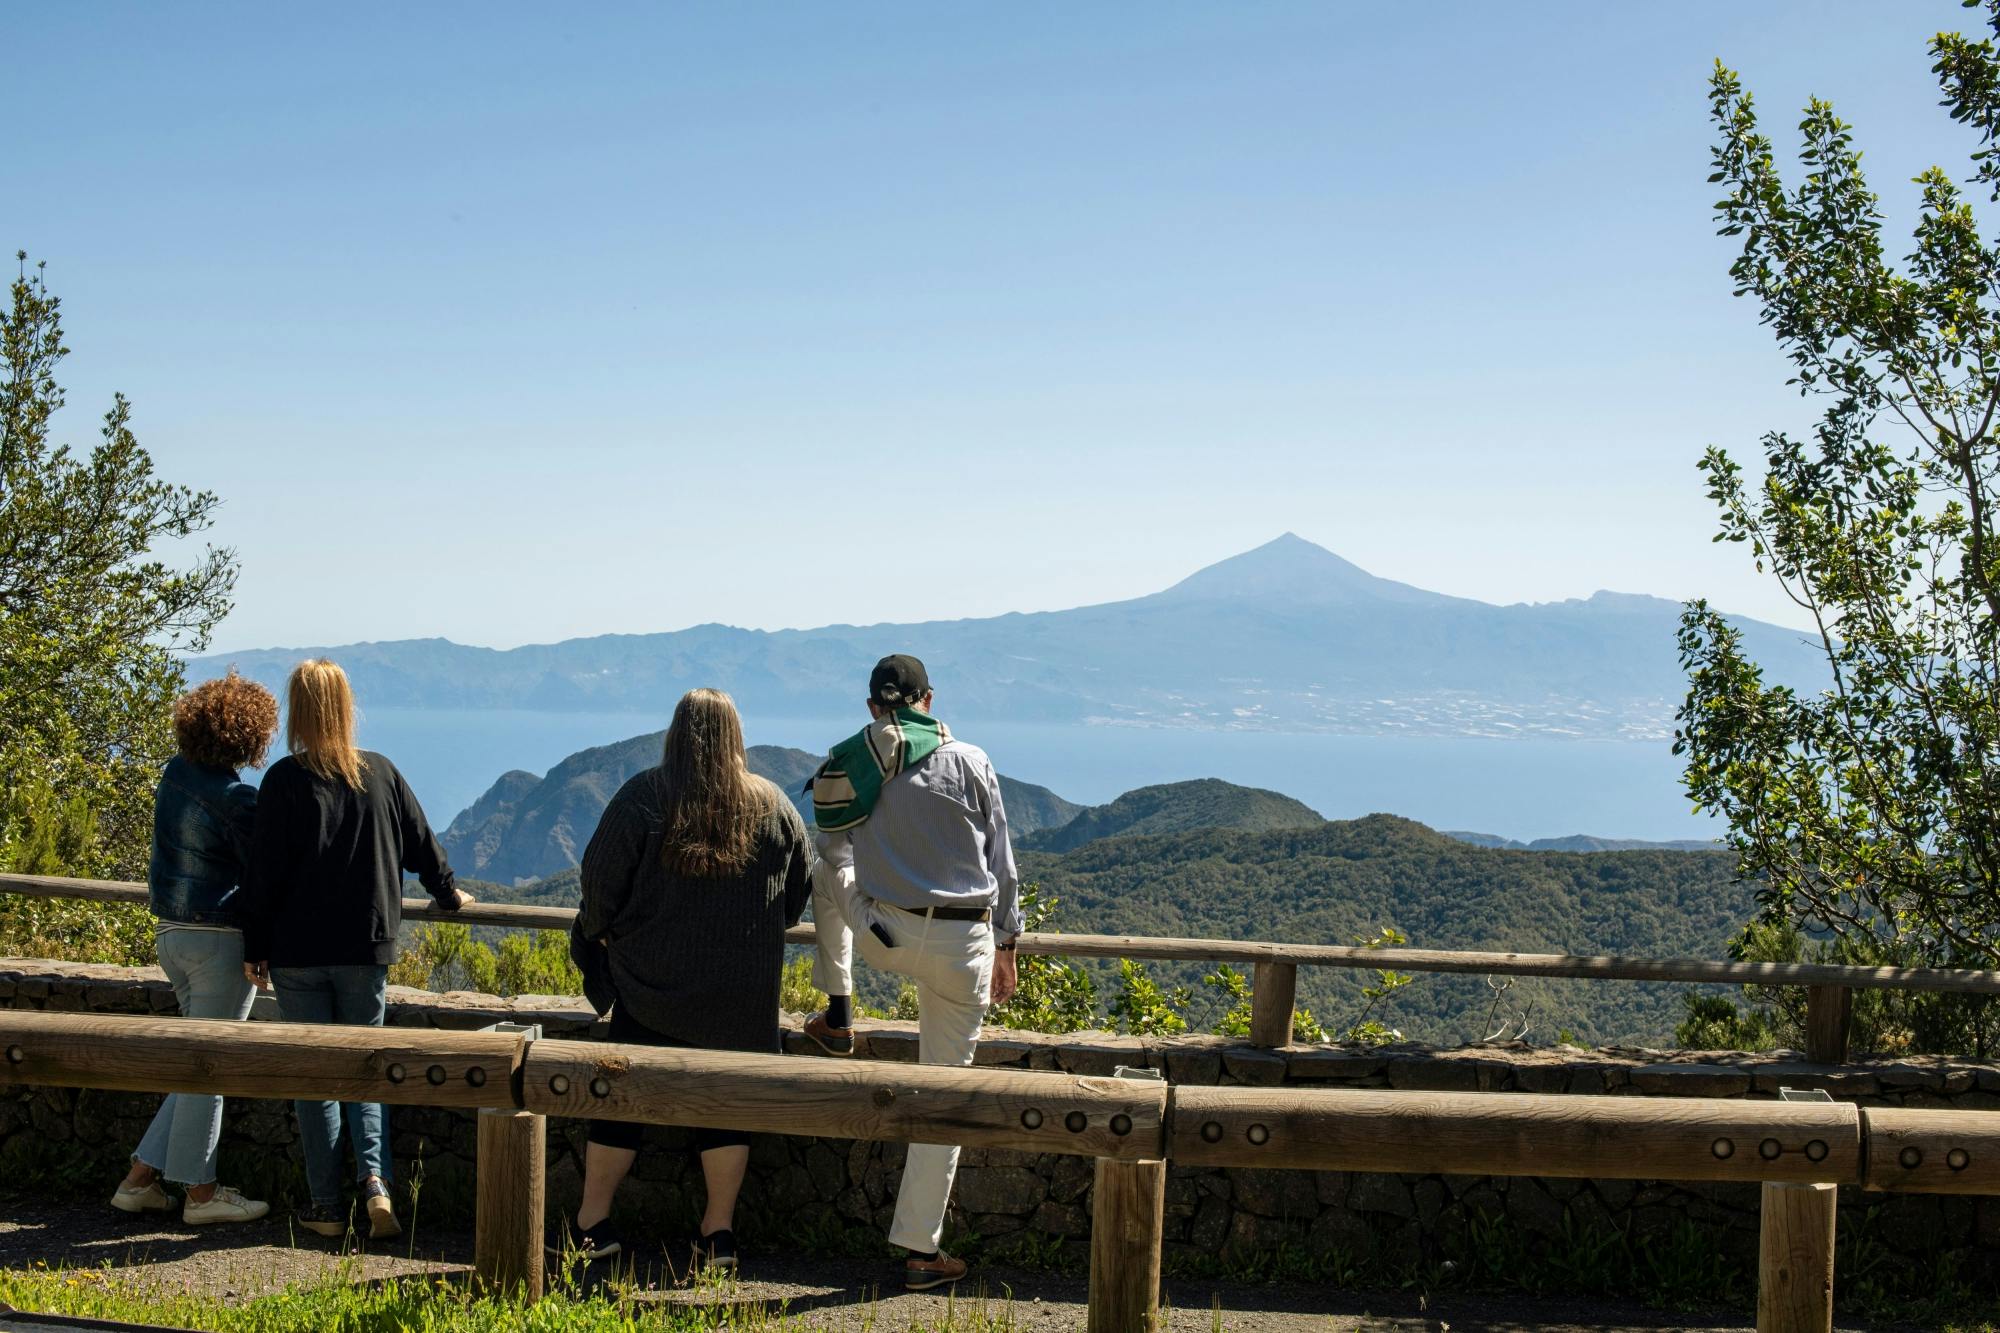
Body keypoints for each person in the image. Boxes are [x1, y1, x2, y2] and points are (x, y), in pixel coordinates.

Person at [558, 688, 812, 1274]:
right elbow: (798, 891)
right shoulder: (773, 805)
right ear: (737, 736)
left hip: (651, 991)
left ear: (676, 734)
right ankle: (717, 1233)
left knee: (619, 1099)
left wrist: (601, 933)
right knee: (725, 1109)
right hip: (740, 1001)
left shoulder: (644, 796)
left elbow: (597, 885)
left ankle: (593, 1224)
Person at [801, 654, 1020, 1291]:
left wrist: (864, 882)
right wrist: (1007, 946)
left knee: (826, 870)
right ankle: (921, 1253)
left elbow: (834, 845)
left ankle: (838, 1011)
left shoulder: (857, 764)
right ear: (929, 700)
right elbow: (1002, 865)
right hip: (963, 944)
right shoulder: (972, 760)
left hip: (883, 935)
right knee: (943, 1094)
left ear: (874, 707)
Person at [239, 659, 472, 1241]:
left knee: (315, 1076)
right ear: (347, 709)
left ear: (297, 710)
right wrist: (448, 896)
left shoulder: (284, 781)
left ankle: (323, 1206)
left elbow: (263, 875)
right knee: (367, 1069)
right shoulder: (382, 773)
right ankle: (375, 1183)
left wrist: (256, 945)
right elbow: (424, 849)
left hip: (297, 954)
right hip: (366, 947)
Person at [110, 671, 280, 1227]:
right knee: (210, 1066)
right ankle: (203, 1196)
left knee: (192, 1062)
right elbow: (265, 881)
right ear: (250, 736)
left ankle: (140, 1181)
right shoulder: (239, 800)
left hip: (171, 936)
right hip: (218, 942)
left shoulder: (175, 773)